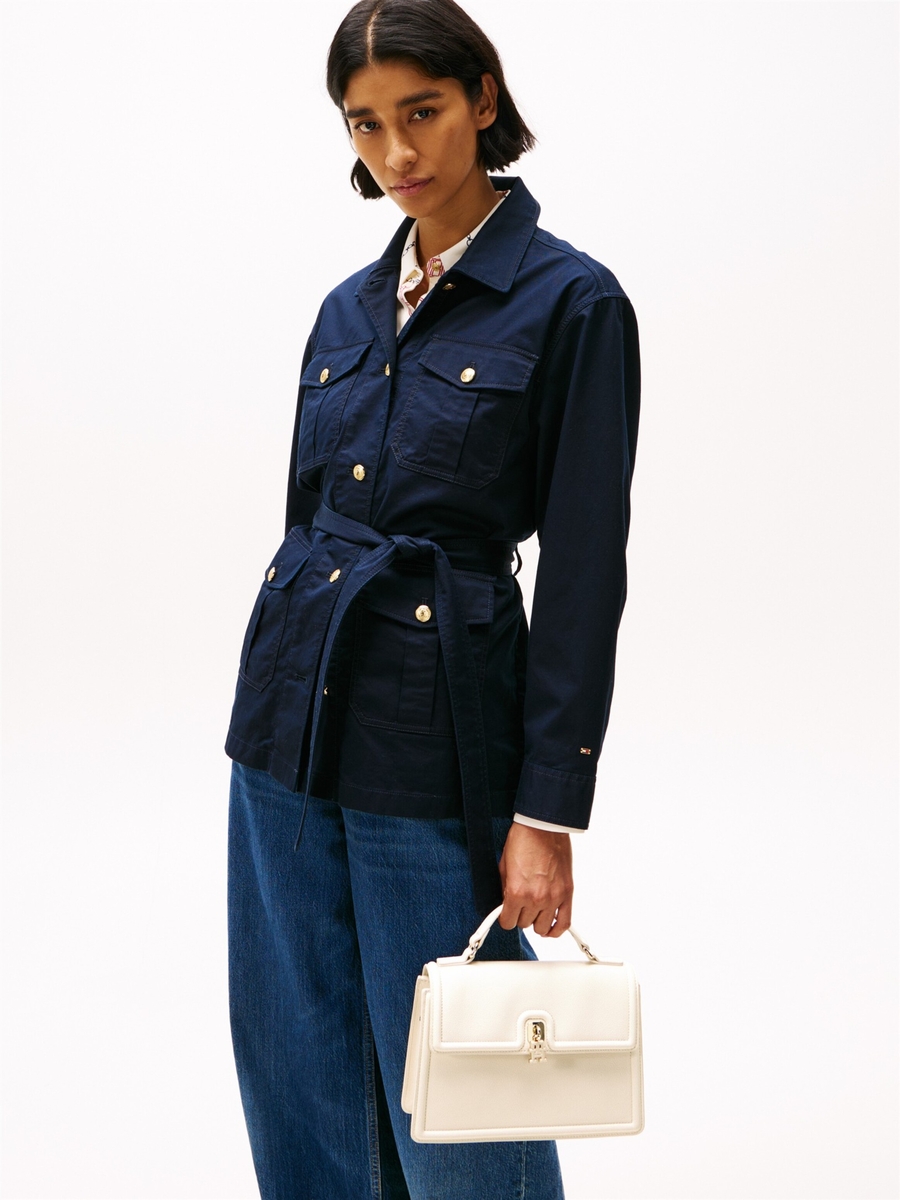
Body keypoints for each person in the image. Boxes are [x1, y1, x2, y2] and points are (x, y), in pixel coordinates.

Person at [224, 0, 641, 1195]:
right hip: (284, 725)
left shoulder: (574, 303)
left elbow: (585, 572)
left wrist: (546, 810)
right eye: (365, 125)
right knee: (297, 1057)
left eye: (422, 112)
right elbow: (306, 519)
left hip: (436, 729)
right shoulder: (346, 309)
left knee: (464, 1084)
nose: (396, 151)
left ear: (482, 100)